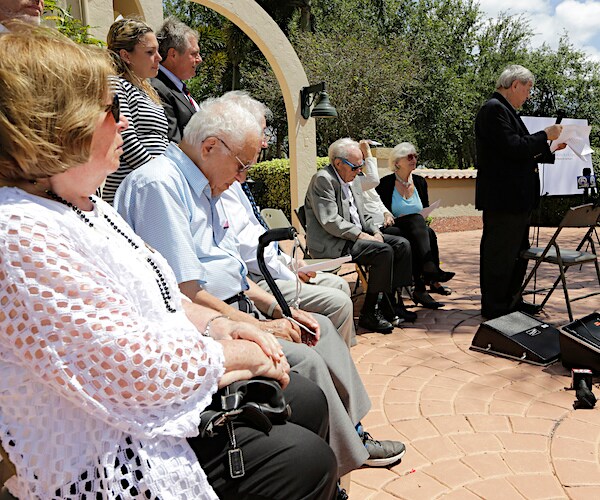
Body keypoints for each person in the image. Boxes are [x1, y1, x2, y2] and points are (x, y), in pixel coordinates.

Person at [0, 28, 338, 499]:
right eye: (112, 112)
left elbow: (162, 298)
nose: (126, 127)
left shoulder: (87, 206)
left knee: (306, 398)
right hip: (117, 447)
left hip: (166, 388)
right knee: (306, 461)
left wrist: (221, 329)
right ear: (59, 126)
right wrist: (238, 354)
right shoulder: (20, 234)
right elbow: (134, 371)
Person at [114, 98, 407, 475]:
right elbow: (186, 293)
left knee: (323, 329)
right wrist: (261, 327)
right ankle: (338, 464)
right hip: (207, 325)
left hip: (234, 304)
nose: (241, 176)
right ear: (209, 146)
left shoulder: (202, 184)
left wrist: (277, 309)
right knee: (308, 358)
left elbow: (230, 271)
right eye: (242, 164)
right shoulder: (161, 186)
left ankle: (353, 433)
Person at [219, 91, 357, 347]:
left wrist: (290, 262)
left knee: (340, 286)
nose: (265, 143)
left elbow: (256, 236)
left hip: (273, 268)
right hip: (258, 279)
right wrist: (289, 269)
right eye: (261, 132)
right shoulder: (224, 183)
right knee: (339, 301)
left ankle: (337, 359)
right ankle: (330, 362)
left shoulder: (235, 181)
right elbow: (250, 251)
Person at [475, 64, 565, 319]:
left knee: (517, 254)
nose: (528, 96)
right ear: (515, 85)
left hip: (516, 199)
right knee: (500, 255)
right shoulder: (493, 110)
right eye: (527, 90)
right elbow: (513, 147)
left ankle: (512, 301)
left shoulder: (506, 111)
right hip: (503, 198)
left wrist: (551, 148)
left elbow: (521, 151)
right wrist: (545, 134)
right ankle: (495, 307)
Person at [304, 137, 417, 333]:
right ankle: (369, 313)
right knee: (382, 252)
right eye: (355, 167)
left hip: (355, 236)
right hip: (333, 242)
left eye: (361, 166)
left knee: (402, 245)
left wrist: (374, 231)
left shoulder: (353, 179)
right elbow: (330, 220)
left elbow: (363, 214)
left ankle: (391, 305)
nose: (359, 171)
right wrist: (361, 236)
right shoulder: (323, 180)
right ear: (338, 163)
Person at [376, 142, 455, 309]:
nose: (414, 159)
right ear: (397, 162)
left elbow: (424, 208)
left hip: (414, 228)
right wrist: (391, 215)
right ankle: (430, 274)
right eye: (409, 157)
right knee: (419, 227)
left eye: (415, 156)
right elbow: (379, 210)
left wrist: (417, 218)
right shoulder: (385, 183)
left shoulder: (420, 182)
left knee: (429, 232)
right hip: (393, 226)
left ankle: (421, 286)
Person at [102, 18, 170, 204]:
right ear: (126, 55)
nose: (159, 58)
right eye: (150, 52)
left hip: (151, 187)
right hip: (132, 193)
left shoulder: (147, 90)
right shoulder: (117, 85)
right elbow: (126, 139)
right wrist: (158, 175)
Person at [152, 16, 202, 142]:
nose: (199, 59)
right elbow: (173, 144)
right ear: (173, 54)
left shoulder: (178, 88)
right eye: (194, 54)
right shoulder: (157, 88)